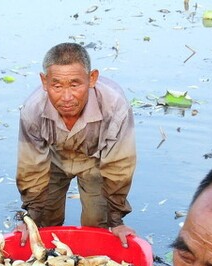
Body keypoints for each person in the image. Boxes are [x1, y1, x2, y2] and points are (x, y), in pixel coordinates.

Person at [16, 42, 137, 244]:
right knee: (45, 223)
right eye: (57, 86)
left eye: (74, 85)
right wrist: (31, 218)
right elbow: (31, 167)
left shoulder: (115, 107)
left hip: (96, 160)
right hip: (52, 158)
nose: (66, 97)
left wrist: (116, 221)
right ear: (44, 82)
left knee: (96, 225)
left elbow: (119, 166)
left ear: (92, 78)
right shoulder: (32, 110)